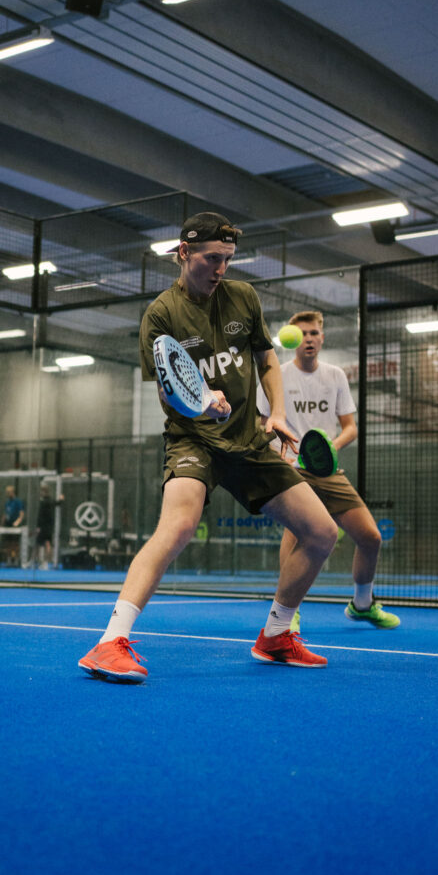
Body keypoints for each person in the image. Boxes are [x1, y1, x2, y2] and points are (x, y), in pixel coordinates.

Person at [79, 212, 338, 682]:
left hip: (248, 439)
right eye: (212, 258)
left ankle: (276, 635)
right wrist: (202, 403)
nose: (221, 268)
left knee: (322, 533)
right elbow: (167, 390)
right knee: (178, 526)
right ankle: (109, 643)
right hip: (192, 439)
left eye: (228, 259)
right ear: (184, 253)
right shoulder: (161, 314)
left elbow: (266, 360)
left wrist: (278, 413)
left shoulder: (244, 296)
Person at [256, 310, 400, 630]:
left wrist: (328, 449)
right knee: (296, 535)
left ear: (322, 338)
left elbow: (350, 427)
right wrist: (276, 452)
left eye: (314, 333)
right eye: (302, 334)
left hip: (328, 470)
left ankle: (362, 605)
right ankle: (287, 612)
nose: (308, 339)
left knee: (371, 537)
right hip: (292, 469)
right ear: (293, 339)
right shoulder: (277, 376)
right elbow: (262, 424)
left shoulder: (335, 375)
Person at [35, 484, 63, 569]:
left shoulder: (43, 502)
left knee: (39, 544)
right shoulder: (51, 500)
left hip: (43, 526)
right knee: (47, 544)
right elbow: (57, 503)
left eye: (41, 491)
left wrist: (38, 526)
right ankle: (45, 562)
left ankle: (40, 562)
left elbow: (40, 515)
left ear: (44, 492)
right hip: (49, 526)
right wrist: (61, 499)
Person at [2, 484, 25, 566]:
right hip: (8, 525)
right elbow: (5, 513)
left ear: (12, 492)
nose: (7, 494)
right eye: (7, 492)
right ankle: (8, 559)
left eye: (9, 492)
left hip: (15, 526)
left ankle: (16, 560)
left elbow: (21, 513)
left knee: (15, 543)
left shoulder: (18, 502)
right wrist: (3, 522)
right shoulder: (7, 502)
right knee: (8, 543)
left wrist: (17, 522)